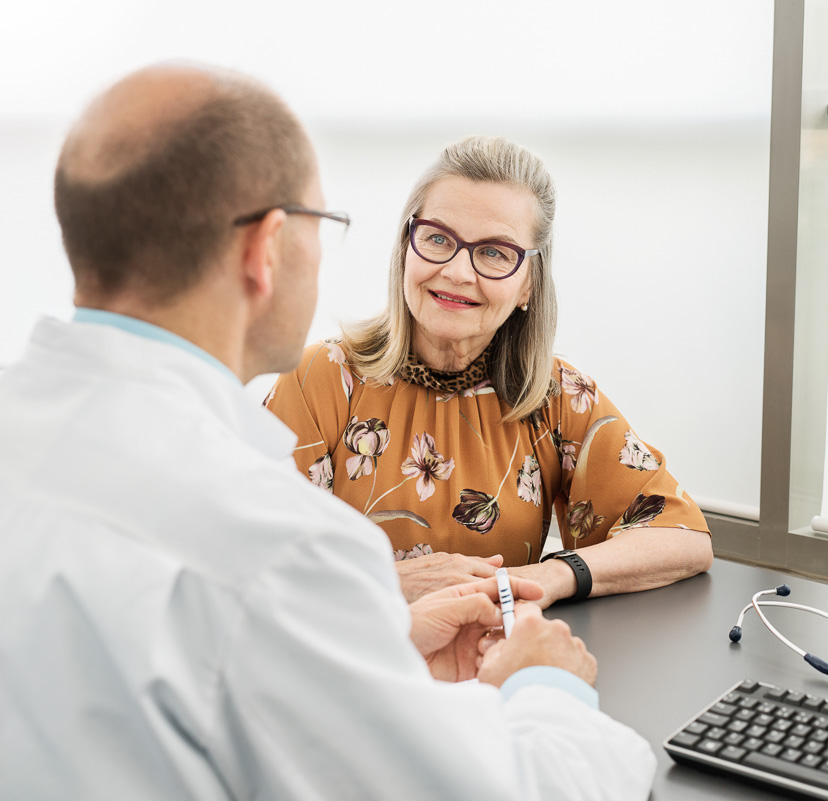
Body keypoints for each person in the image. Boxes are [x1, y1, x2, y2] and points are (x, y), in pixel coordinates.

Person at [0, 63, 655, 800]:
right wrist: (546, 685)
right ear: (267, 250)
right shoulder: (278, 544)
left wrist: (376, 648)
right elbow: (510, 790)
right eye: (322, 223)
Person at [266, 135, 714, 606]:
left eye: (494, 252)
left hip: (496, 666)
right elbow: (248, 556)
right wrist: (388, 583)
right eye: (438, 239)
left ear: (528, 287)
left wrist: (551, 577)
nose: (458, 272)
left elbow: (683, 537)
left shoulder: (555, 395)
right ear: (406, 250)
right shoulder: (321, 376)